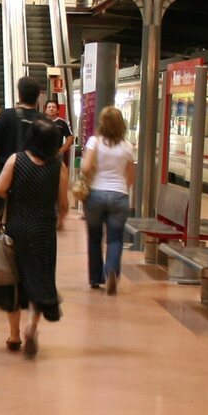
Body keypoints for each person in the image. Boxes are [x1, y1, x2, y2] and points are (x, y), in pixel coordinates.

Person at [0, 117, 68, 356]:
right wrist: (61, 220)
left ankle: (14, 335)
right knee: (40, 281)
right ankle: (32, 327)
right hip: (44, 231)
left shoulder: (17, 160)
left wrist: (15, 195)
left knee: (13, 281)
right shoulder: (58, 167)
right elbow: (63, 204)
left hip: (17, 228)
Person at [81, 105, 137, 293]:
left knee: (95, 238)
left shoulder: (94, 142)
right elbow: (130, 178)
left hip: (96, 194)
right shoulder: (127, 146)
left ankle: (96, 279)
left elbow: (86, 168)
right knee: (115, 239)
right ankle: (111, 269)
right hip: (119, 194)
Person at [45, 100, 75, 168]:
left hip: (56, 155)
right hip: (42, 154)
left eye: (53, 107)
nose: (51, 109)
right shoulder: (41, 121)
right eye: (49, 107)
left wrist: (60, 151)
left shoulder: (62, 123)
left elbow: (70, 138)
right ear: (45, 110)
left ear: (58, 110)